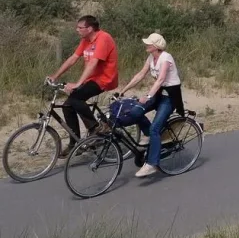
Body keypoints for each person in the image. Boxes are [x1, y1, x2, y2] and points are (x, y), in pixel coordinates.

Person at [48, 15, 119, 157]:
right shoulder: (85, 40)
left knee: (76, 98)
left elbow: (93, 63)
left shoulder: (103, 38)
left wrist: (78, 83)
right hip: (92, 79)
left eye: (80, 27)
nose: (77, 30)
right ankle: (75, 144)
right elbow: (73, 58)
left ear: (90, 28)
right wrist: (55, 76)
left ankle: (97, 128)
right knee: (67, 106)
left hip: (105, 79)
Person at [120, 32, 185, 178]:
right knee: (135, 112)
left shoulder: (166, 58)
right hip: (158, 94)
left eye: (149, 43)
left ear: (156, 46)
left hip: (169, 97)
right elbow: (141, 74)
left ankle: (152, 164)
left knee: (156, 128)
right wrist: (123, 90)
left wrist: (148, 96)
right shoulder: (151, 57)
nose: (146, 45)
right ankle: (149, 135)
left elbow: (161, 79)